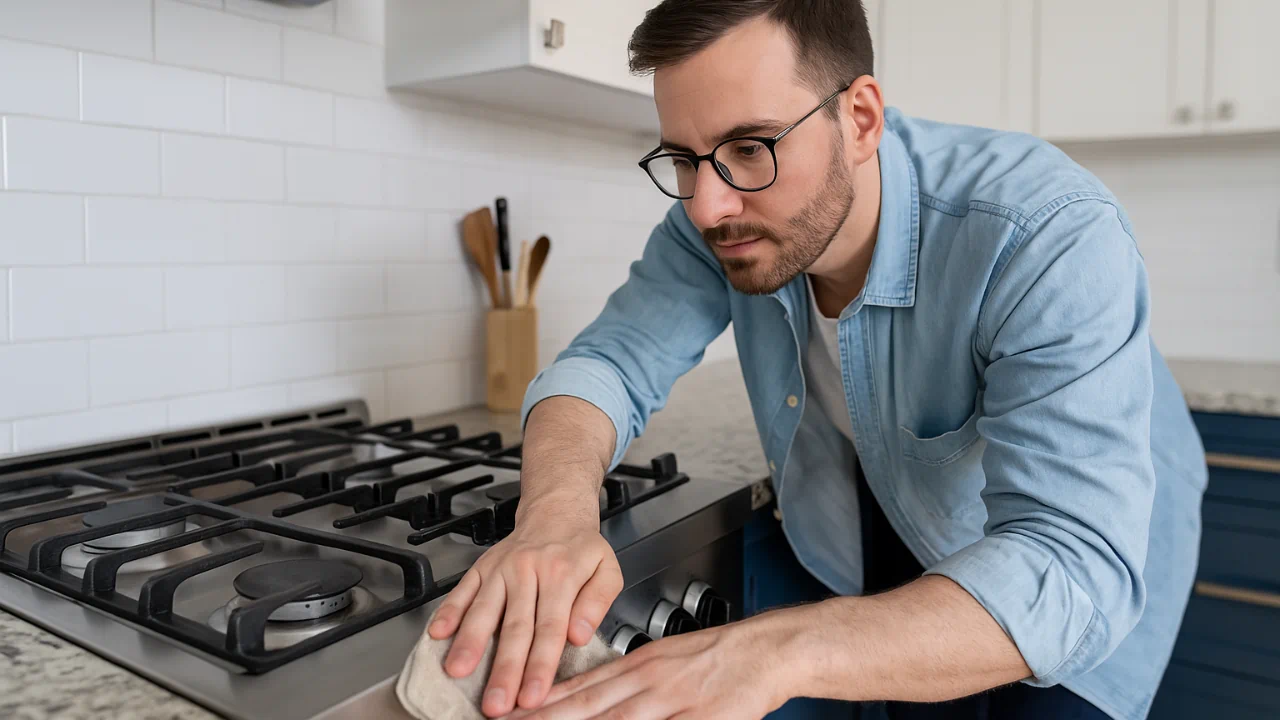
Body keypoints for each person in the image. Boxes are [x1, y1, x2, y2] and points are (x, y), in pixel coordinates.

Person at [425, 1, 1208, 719]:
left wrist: (774, 651)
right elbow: (608, 362)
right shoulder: (728, 220)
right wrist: (556, 514)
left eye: (749, 147)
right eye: (685, 159)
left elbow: (1069, 572)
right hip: (902, 503)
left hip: (1074, 550)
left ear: (860, 118)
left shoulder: (1042, 232)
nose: (706, 205)